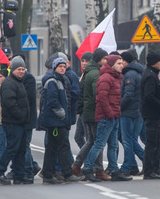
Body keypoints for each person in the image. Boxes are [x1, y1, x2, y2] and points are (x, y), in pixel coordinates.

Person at [84, 54, 131, 181]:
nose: (122, 65)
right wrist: (110, 113)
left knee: (113, 145)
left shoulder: (115, 77)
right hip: (106, 117)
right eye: (119, 63)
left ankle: (114, 171)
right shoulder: (106, 77)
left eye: (122, 63)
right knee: (99, 144)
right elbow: (101, 98)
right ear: (111, 65)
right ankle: (87, 169)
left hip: (114, 116)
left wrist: (116, 113)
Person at [0, 57, 37, 184]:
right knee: (12, 148)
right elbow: (10, 103)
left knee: (21, 149)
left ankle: (19, 174)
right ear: (12, 70)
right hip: (13, 122)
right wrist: (21, 115)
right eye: (19, 69)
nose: (21, 71)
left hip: (20, 122)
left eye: (23, 69)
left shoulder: (18, 82)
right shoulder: (9, 83)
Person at [39, 55, 78, 183]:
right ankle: (67, 173)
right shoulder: (52, 81)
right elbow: (52, 101)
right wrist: (62, 115)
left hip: (55, 120)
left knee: (52, 147)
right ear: (55, 68)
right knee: (63, 146)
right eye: (60, 66)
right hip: (56, 121)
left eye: (64, 66)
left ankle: (48, 174)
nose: (63, 68)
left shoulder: (60, 79)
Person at [75, 48, 108, 179]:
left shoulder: (89, 73)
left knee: (93, 140)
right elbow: (96, 95)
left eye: (86, 61)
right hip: (90, 111)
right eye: (82, 61)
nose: (84, 63)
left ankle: (91, 167)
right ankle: (88, 167)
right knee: (95, 141)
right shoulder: (94, 74)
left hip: (87, 111)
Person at [140, 52, 160, 179]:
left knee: (158, 142)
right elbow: (148, 96)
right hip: (151, 114)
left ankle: (155, 167)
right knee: (152, 143)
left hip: (154, 114)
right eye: (159, 61)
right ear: (153, 62)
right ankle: (149, 170)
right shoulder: (150, 76)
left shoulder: (152, 74)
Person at [118, 49, 146, 176]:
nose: (120, 63)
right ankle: (139, 164)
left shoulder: (129, 74)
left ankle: (127, 167)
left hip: (129, 112)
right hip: (138, 111)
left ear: (125, 61)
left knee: (128, 140)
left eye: (121, 61)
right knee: (132, 140)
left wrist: (120, 107)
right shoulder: (139, 72)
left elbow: (128, 95)